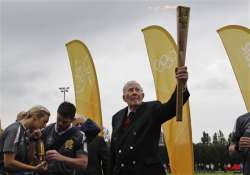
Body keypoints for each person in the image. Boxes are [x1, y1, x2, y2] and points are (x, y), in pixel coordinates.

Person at [110, 66, 189, 175]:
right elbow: (113, 150)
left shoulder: (153, 109)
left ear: (142, 96)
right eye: (130, 90)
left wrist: (182, 85)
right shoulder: (116, 117)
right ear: (124, 98)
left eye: (137, 90)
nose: (134, 92)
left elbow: (172, 106)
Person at [0, 105, 50, 175]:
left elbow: (30, 159)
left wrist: (33, 139)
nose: (45, 126)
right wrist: (34, 168)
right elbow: (8, 163)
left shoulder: (24, 131)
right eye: (44, 122)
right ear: (35, 117)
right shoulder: (15, 130)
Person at [41, 101, 88, 175]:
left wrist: (62, 158)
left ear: (72, 120)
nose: (60, 123)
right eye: (58, 119)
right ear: (57, 114)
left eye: (64, 122)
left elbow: (83, 163)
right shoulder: (46, 130)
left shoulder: (79, 135)